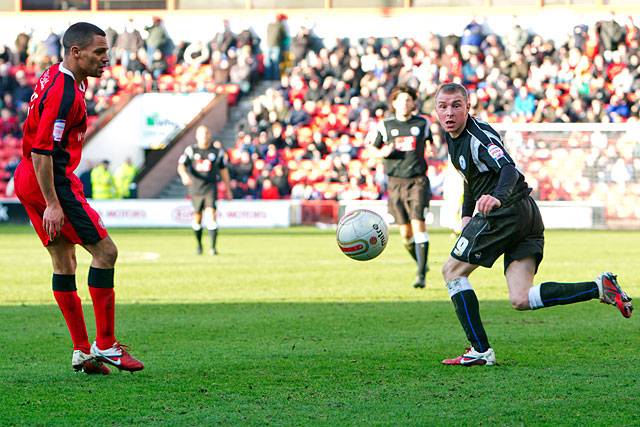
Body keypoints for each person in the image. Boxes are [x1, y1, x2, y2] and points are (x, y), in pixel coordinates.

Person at [433, 82, 633, 366]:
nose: (449, 112)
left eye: (456, 105)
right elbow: (471, 178)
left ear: (468, 107)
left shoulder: (478, 136)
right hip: (526, 214)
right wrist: (467, 213)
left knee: (452, 271)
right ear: (436, 110)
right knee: (521, 298)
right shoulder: (453, 138)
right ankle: (599, 287)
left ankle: (479, 350)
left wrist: (498, 199)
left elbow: (508, 169)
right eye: (443, 106)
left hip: (506, 213)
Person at [13, 22, 144, 374]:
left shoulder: (59, 78)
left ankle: (82, 351)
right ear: (76, 52)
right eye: (99, 52)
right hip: (50, 178)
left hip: (28, 177)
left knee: (64, 263)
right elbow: (43, 151)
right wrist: (54, 202)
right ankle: (106, 345)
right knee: (106, 252)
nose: (107, 59)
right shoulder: (64, 93)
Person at [371, 85, 433, 289]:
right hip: (395, 183)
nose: (405, 103)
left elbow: (431, 144)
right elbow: (373, 148)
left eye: (409, 100)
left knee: (418, 224)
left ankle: (420, 275)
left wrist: (432, 149)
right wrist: (384, 152)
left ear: (414, 103)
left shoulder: (422, 123)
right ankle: (421, 264)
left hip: (417, 181)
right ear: (394, 102)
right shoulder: (385, 125)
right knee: (406, 234)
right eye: (402, 100)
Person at [178, 126, 232, 256]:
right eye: (201, 133)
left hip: (210, 188)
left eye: (206, 133)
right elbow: (181, 166)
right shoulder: (191, 150)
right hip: (195, 189)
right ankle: (199, 245)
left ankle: (213, 247)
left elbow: (223, 170)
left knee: (211, 215)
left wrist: (228, 188)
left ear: (210, 135)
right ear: (197, 136)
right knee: (197, 218)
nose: (204, 136)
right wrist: (184, 176)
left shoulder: (217, 151)